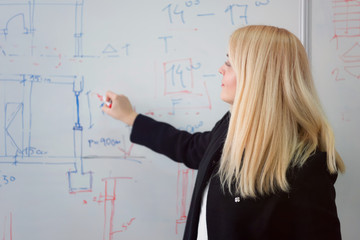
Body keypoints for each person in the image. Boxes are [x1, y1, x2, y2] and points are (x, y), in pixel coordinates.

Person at [102, 25, 345, 240]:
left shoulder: (306, 165)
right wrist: (130, 117)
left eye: (230, 62)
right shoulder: (230, 127)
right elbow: (189, 147)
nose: (221, 69)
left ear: (257, 77)